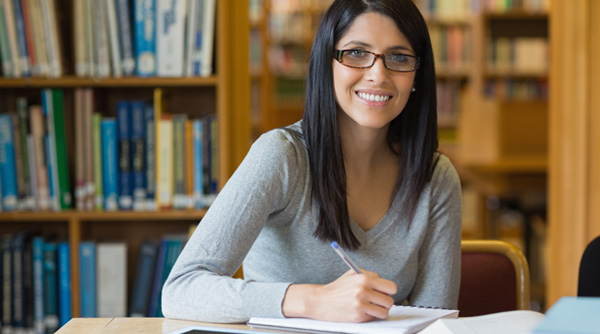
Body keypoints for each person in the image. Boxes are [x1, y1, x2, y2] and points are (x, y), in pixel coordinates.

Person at [162, 0, 462, 324]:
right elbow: (181, 290)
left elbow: (436, 322)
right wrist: (312, 300)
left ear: (417, 74)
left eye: (399, 57)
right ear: (327, 62)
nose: (378, 75)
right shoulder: (281, 156)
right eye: (357, 53)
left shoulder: (436, 177)